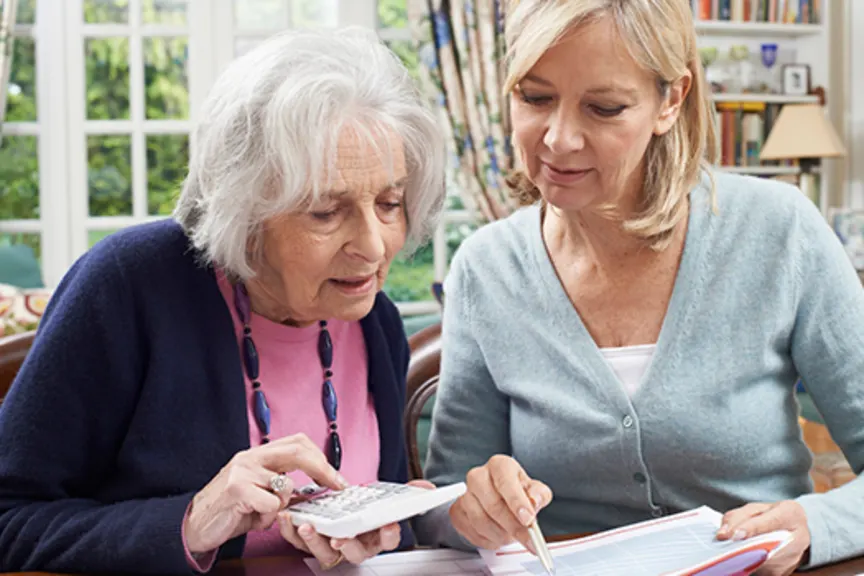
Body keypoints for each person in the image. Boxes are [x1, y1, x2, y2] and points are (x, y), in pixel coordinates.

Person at [416, 1, 864, 574]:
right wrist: (468, 509)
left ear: (670, 101)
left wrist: (815, 526)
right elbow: (442, 502)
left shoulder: (778, 230)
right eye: (534, 97)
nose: (558, 139)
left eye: (603, 108)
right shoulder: (486, 268)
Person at [0, 27, 444, 574]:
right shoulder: (128, 286)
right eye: (326, 213)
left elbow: (382, 531)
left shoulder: (374, 320)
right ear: (246, 212)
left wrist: (382, 531)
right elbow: (9, 519)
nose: (374, 246)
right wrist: (193, 520)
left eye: (389, 202)